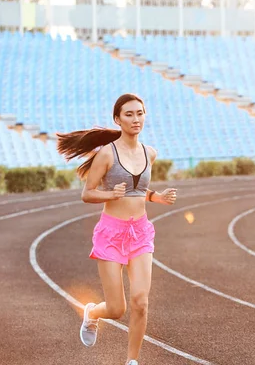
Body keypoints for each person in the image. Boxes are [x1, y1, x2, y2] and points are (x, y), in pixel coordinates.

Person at [56, 93, 177, 365]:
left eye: (140, 113)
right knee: (116, 309)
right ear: (117, 120)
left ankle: (131, 361)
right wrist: (110, 196)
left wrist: (158, 197)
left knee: (140, 302)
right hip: (111, 234)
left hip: (141, 233)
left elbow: (139, 191)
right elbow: (87, 194)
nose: (136, 119)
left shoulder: (150, 153)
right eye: (129, 114)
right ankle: (92, 313)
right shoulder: (106, 154)